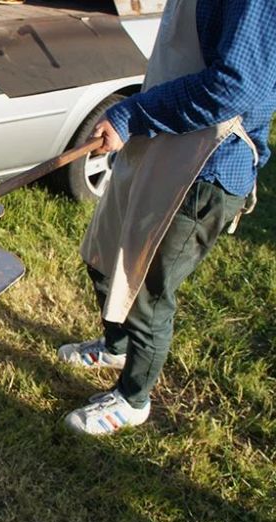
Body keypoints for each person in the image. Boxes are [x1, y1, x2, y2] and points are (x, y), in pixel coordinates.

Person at [57, 0, 276, 436]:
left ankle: (133, 398)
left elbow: (236, 89)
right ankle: (116, 347)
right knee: (103, 253)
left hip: (202, 167)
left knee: (146, 294)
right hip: (154, 144)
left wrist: (133, 113)